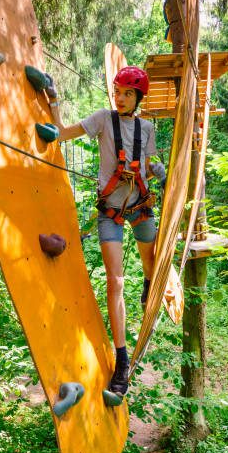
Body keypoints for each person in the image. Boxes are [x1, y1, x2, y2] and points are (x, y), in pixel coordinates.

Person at [47, 67, 158, 396]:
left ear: (137, 98)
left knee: (150, 263)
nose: (119, 97)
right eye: (117, 91)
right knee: (116, 281)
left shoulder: (146, 127)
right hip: (110, 212)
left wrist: (160, 170)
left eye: (126, 93)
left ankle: (150, 286)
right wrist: (53, 97)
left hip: (140, 207)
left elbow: (150, 164)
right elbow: (62, 132)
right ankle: (121, 360)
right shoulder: (101, 119)